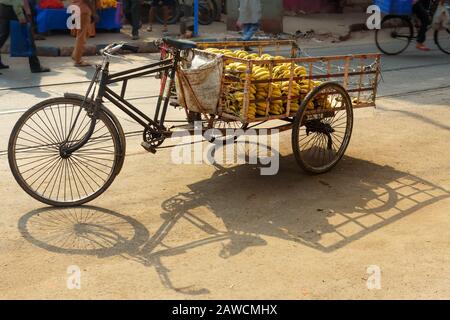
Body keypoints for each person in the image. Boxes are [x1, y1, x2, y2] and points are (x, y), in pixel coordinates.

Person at [0, 0, 50, 73]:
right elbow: (17, 2)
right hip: (13, 9)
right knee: (29, 37)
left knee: (3, 35)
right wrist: (20, 15)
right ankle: (35, 66)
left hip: (3, 7)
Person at [70, 0, 97, 67]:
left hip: (77, 8)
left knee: (83, 34)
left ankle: (76, 55)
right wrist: (94, 13)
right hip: (83, 9)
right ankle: (78, 60)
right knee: (82, 36)